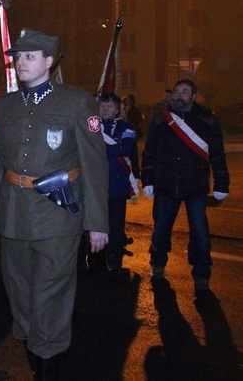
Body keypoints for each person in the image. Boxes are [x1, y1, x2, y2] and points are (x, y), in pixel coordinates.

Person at [0, 28, 109, 380]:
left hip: (57, 214)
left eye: (29, 56)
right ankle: (38, 350)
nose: (21, 62)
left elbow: (94, 165)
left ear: (49, 61)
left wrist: (97, 222)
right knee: (19, 295)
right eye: (18, 57)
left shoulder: (76, 103)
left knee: (50, 295)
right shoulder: (5, 105)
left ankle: (46, 366)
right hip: (14, 213)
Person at [141, 79, 229, 293]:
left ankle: (201, 273)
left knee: (200, 232)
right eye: (177, 91)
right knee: (161, 229)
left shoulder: (206, 119)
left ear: (194, 95)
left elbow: (217, 154)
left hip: (195, 186)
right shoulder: (162, 119)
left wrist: (221, 183)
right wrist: (148, 180)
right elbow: (150, 151)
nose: (180, 95)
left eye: (185, 91)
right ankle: (157, 263)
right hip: (165, 185)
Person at [97, 92, 137, 275]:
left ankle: (114, 257)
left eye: (109, 106)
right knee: (94, 223)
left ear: (117, 109)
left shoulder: (126, 127)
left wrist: (98, 148)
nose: (105, 109)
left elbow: (125, 149)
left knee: (115, 225)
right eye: (102, 106)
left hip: (116, 186)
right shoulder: (90, 127)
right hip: (94, 187)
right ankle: (95, 257)